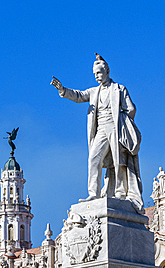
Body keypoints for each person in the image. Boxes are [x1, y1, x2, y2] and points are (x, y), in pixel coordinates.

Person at [51, 54, 142, 206]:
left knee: (118, 160)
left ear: (107, 71)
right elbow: (79, 95)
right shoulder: (94, 92)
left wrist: (122, 122)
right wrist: (63, 89)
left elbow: (131, 109)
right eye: (94, 74)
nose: (96, 77)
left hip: (115, 127)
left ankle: (120, 191)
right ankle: (93, 193)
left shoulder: (119, 89)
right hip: (100, 129)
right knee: (94, 158)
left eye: (99, 73)